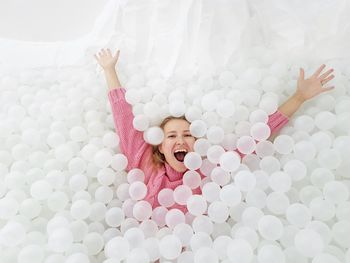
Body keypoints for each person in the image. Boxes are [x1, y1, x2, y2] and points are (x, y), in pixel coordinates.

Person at [94, 48, 335, 212]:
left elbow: (258, 136)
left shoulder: (210, 171)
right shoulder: (144, 163)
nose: (180, 140)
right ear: (159, 144)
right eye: (171, 136)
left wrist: (300, 97)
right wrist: (109, 70)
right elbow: (123, 117)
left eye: (187, 135)